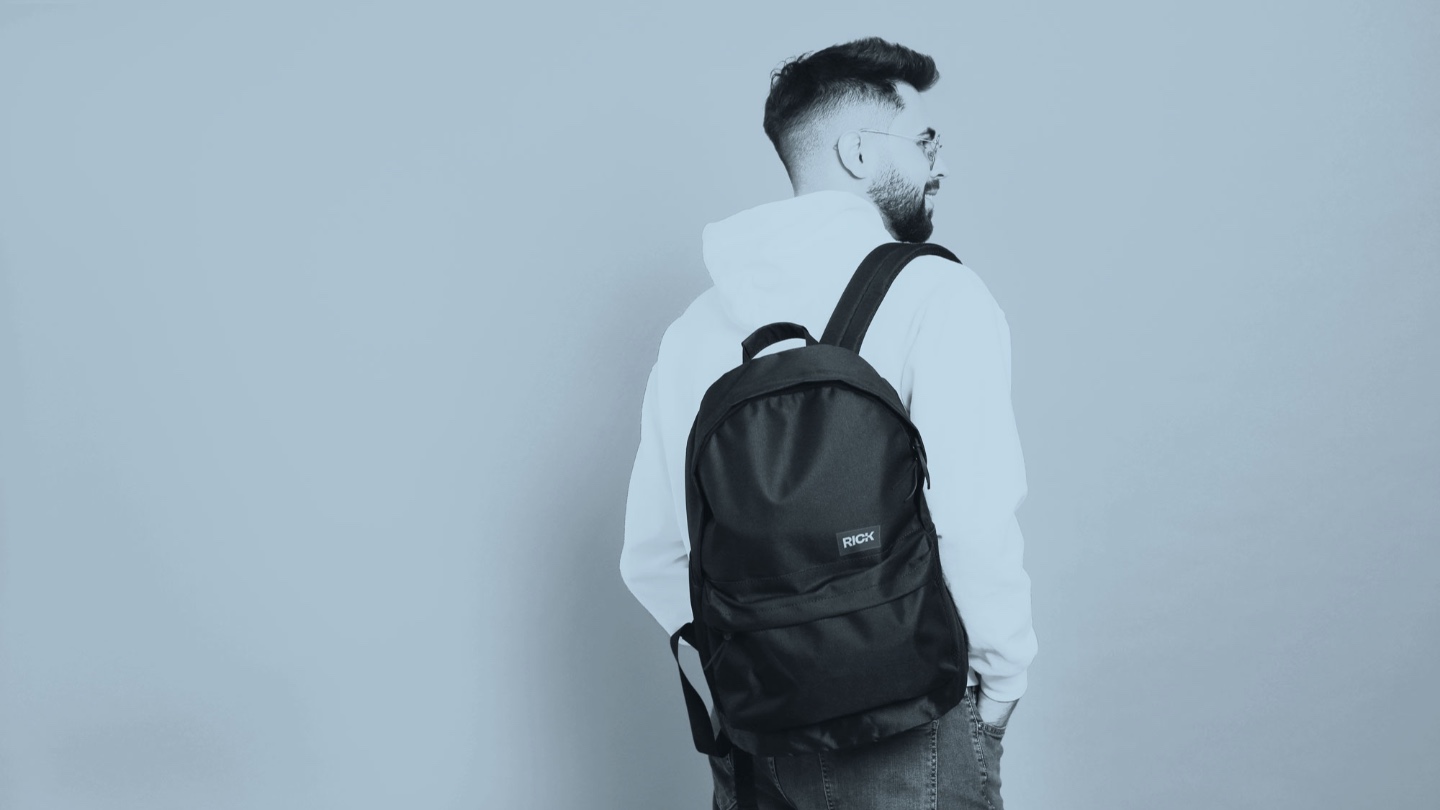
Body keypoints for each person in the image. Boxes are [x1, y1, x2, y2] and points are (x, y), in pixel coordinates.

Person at [620, 36, 1036, 809]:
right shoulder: (939, 297)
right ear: (858, 152)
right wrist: (1002, 678)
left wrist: (756, 668)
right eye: (925, 140)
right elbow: (972, 523)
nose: (941, 163)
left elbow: (654, 552)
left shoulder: (695, 328)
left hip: (755, 734)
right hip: (912, 721)